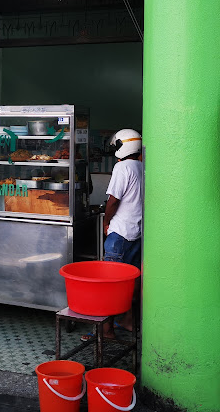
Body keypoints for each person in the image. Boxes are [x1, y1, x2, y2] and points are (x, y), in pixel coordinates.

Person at [100, 128, 144, 340]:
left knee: (110, 284)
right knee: (131, 282)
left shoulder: (122, 168)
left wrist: (106, 221)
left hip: (119, 235)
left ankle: (106, 329)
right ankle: (128, 320)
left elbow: (113, 200)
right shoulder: (142, 167)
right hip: (137, 233)